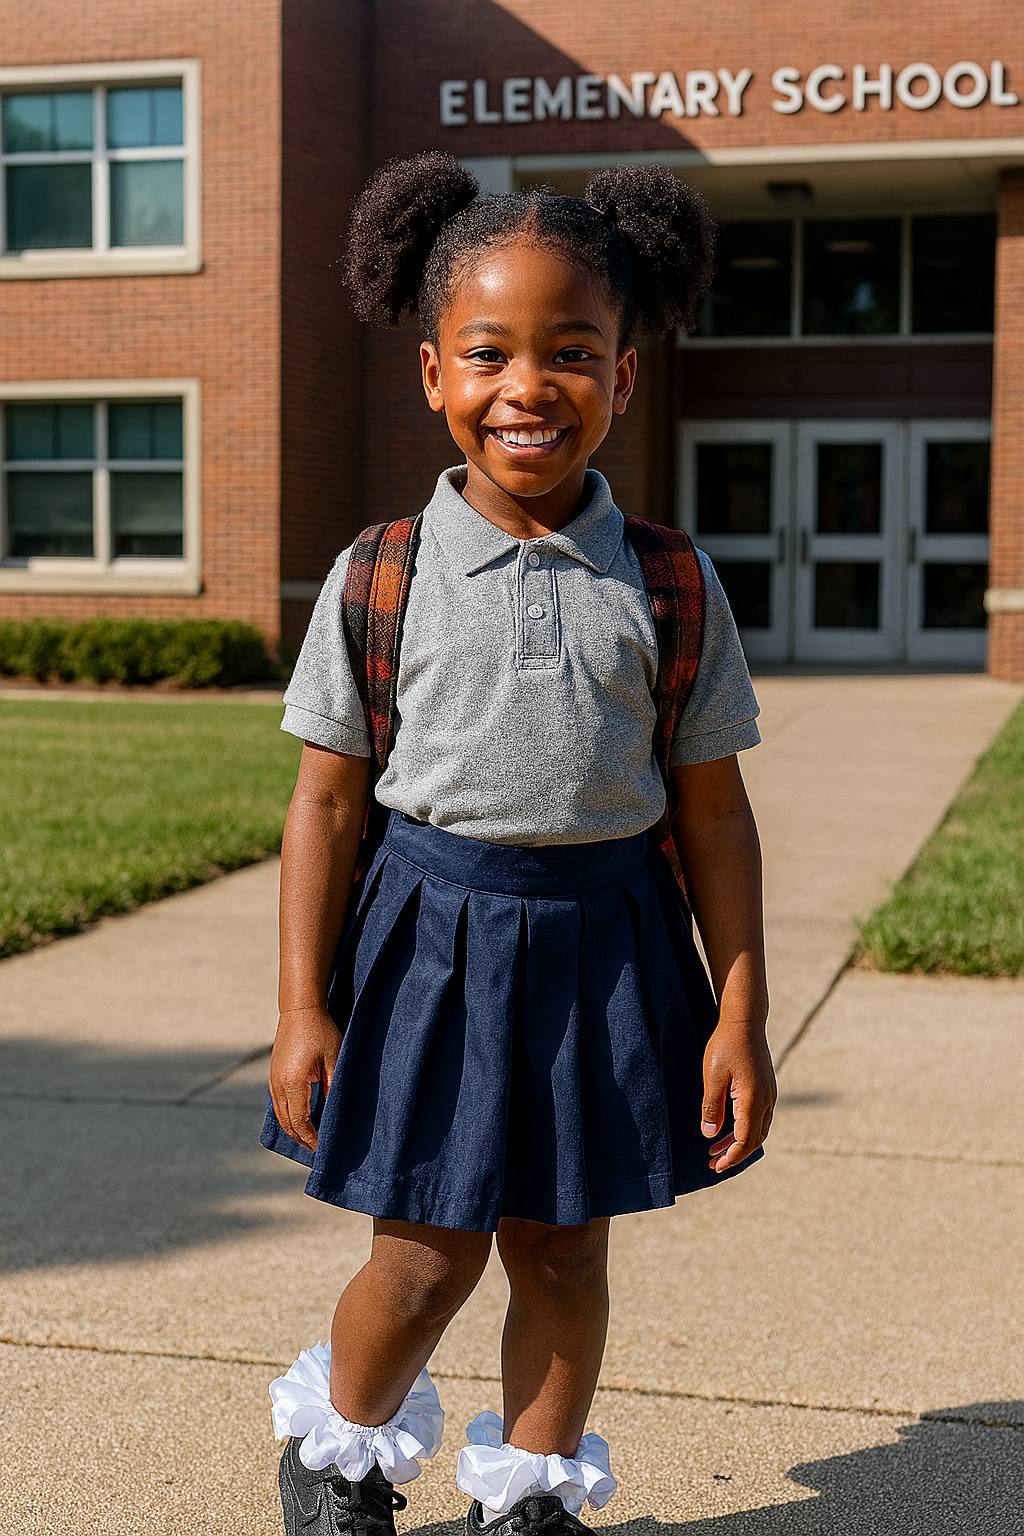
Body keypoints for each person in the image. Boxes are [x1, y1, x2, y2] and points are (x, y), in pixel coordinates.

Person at [261, 153, 776, 1536]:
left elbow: (714, 814)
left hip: (608, 947)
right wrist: (303, 1006)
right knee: (425, 1254)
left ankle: (532, 1499)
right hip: (431, 945)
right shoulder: (382, 572)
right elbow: (326, 806)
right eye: (489, 353)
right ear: (434, 371)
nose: (528, 387)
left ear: (625, 376)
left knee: (562, 1254)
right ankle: (339, 1455)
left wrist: (738, 1013)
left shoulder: (668, 581)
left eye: (573, 352)